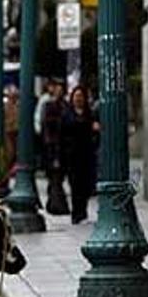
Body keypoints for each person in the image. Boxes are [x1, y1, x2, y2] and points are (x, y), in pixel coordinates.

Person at [59, 85, 99, 224]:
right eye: (76, 96)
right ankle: (77, 214)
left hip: (87, 154)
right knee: (75, 185)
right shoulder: (66, 114)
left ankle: (83, 211)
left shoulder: (89, 114)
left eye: (81, 96)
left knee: (87, 185)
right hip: (72, 156)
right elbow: (61, 135)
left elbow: (95, 131)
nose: (78, 99)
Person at [37, 78, 69, 216]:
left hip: (64, 147)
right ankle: (56, 204)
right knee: (55, 177)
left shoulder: (66, 105)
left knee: (58, 178)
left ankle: (54, 203)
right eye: (57, 88)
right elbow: (46, 128)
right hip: (53, 148)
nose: (59, 90)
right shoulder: (49, 105)